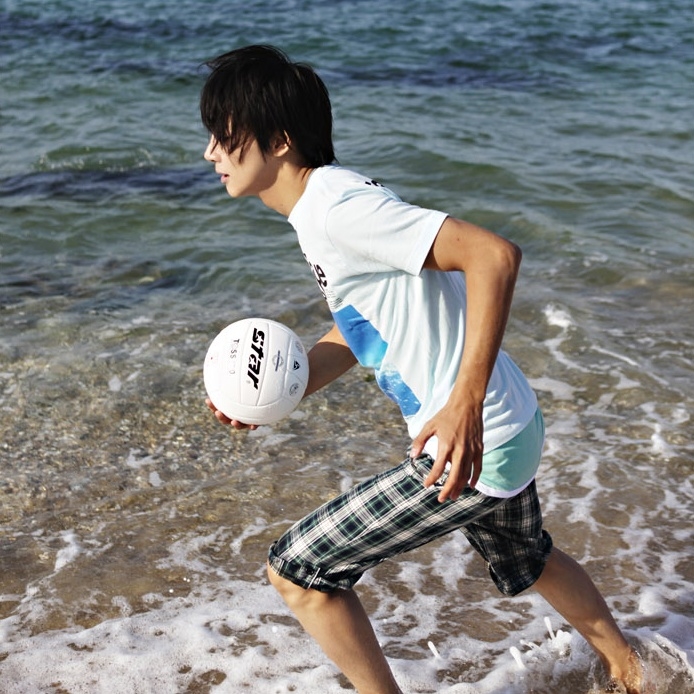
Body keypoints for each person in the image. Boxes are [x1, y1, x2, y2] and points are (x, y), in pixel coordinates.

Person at [199, 44, 642, 694]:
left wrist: (463, 405)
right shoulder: (326, 205)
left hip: (474, 439)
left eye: (224, 134)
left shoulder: (337, 210)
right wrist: (278, 392)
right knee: (528, 559)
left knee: (298, 572)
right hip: (510, 421)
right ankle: (633, 669)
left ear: (280, 140)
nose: (210, 152)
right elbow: (360, 328)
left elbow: (494, 256)